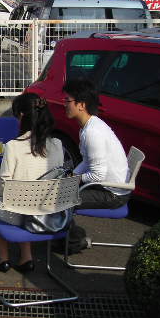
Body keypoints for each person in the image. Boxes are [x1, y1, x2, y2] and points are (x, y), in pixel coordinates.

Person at [0, 92, 63, 273]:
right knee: (24, 203)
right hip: (50, 214)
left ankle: (4, 258)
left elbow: (5, 186)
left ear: (22, 116)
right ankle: (26, 257)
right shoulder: (57, 144)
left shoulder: (13, 146)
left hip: (22, 212)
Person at [60, 78, 130, 252]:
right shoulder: (89, 125)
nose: (64, 105)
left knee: (61, 199)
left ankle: (75, 241)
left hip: (113, 194)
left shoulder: (92, 132)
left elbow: (97, 175)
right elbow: (87, 162)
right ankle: (66, 237)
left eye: (67, 101)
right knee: (61, 190)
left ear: (81, 105)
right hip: (111, 186)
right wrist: (69, 177)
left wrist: (73, 179)